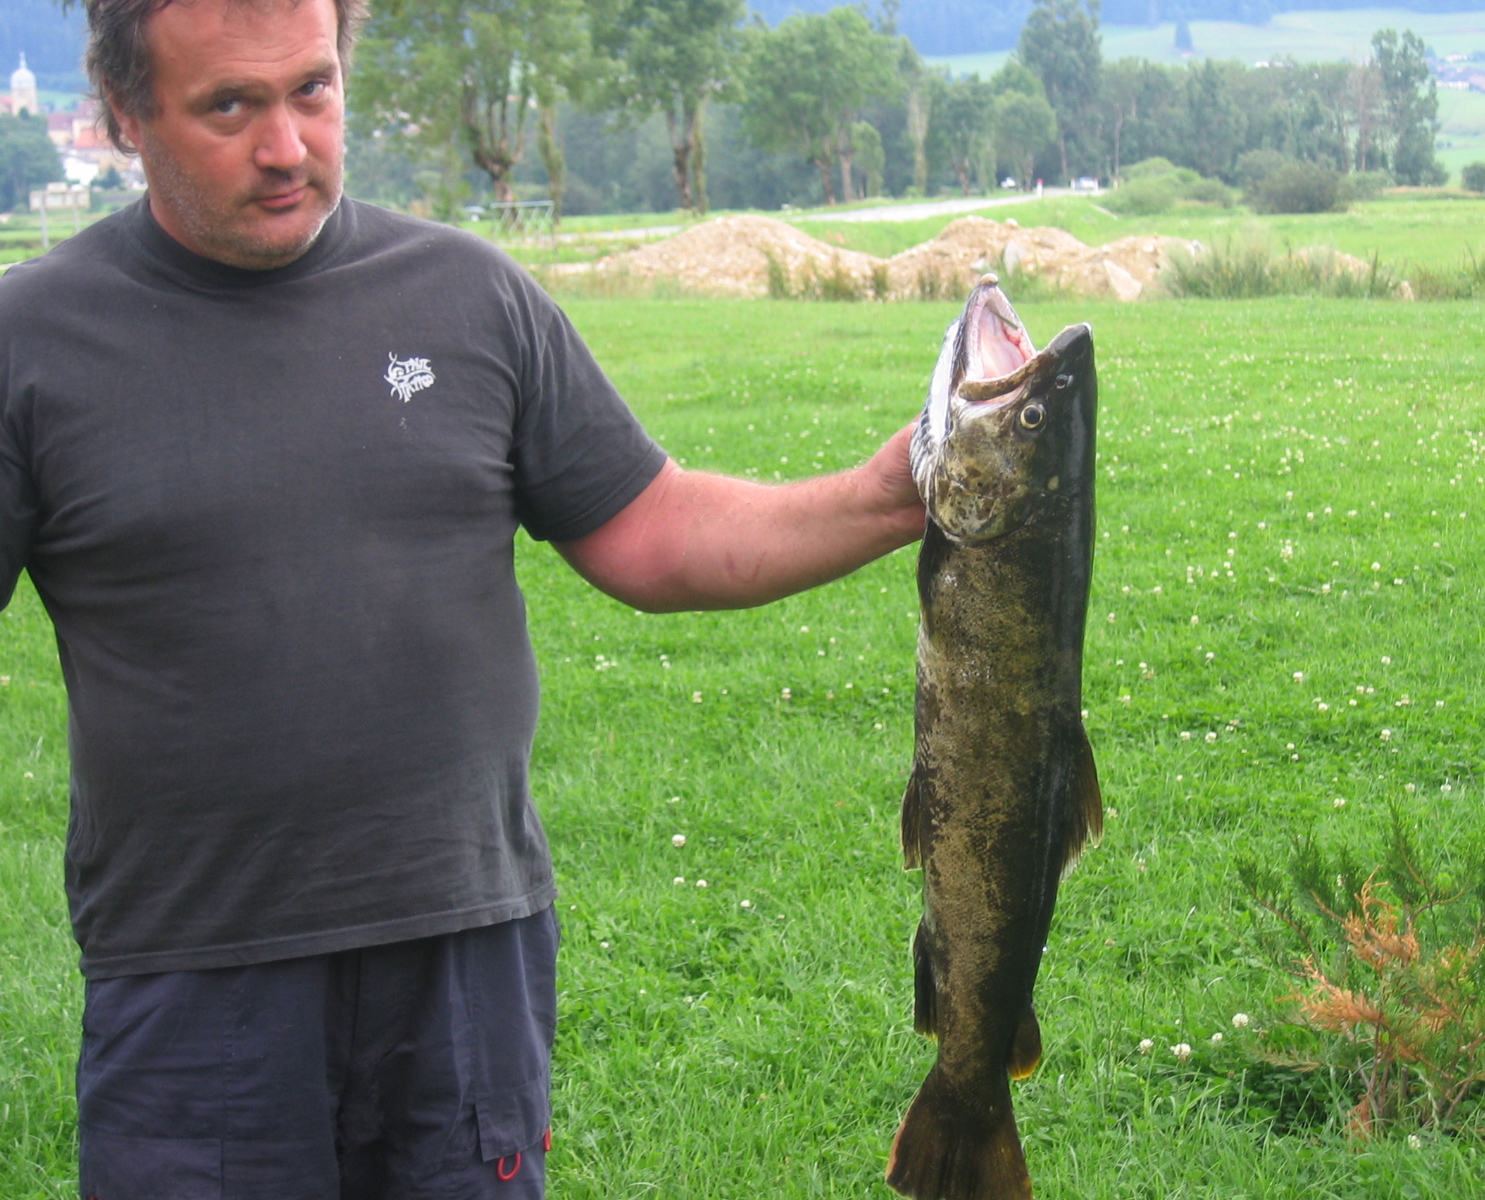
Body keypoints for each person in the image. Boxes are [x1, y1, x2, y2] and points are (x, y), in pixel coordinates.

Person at [0, 0, 925, 1196]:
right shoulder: (33, 340)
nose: (286, 146)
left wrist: (884, 497)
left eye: (312, 89)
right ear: (125, 115)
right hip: (193, 975)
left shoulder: (467, 295)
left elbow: (654, 530)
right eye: (228, 106)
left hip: (463, 954)